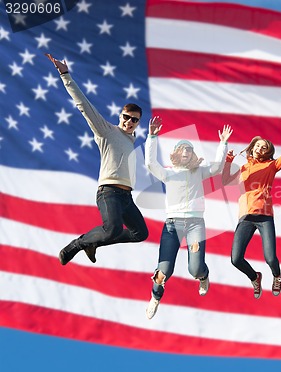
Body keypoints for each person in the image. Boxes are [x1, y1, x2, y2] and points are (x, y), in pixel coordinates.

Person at [46, 54, 149, 265]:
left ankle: (94, 243)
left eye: (134, 120)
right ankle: (77, 244)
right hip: (109, 192)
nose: (129, 122)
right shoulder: (107, 131)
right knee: (112, 229)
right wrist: (65, 74)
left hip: (126, 196)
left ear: (138, 123)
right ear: (120, 116)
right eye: (126, 117)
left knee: (140, 233)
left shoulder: (131, 140)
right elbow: (84, 105)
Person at [144, 117, 232, 319]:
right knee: (163, 270)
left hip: (195, 225)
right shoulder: (168, 173)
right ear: (176, 154)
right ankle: (155, 297)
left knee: (195, 268)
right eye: (182, 149)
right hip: (172, 225)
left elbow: (217, 168)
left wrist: (223, 144)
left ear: (192, 155)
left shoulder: (198, 172)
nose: (186, 152)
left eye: (189, 150)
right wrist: (152, 136)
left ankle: (204, 276)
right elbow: (150, 163)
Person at [222, 109, 281, 299]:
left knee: (270, 258)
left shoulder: (271, 165)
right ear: (252, 147)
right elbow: (225, 181)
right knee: (236, 259)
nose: (260, 148)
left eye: (264, 147)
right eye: (258, 146)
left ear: (268, 152)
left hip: (265, 216)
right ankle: (254, 277)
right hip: (246, 216)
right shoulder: (244, 168)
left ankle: (276, 276)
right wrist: (228, 161)